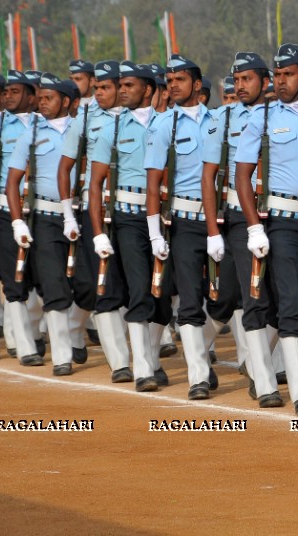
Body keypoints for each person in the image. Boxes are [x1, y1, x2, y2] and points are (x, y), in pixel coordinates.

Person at [235, 43, 298, 416]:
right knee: (293, 302)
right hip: (283, 222)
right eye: (277, 75)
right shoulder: (261, 118)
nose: (280, 81)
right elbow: (242, 176)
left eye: (289, 74)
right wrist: (254, 228)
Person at [203, 52, 281, 408]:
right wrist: (213, 231)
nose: (240, 86)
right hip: (239, 218)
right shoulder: (222, 118)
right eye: (236, 80)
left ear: (265, 81)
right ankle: (263, 380)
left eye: (247, 79)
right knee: (251, 298)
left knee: (284, 296)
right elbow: (209, 176)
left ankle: (259, 364)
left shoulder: (282, 114)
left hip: (282, 217)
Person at [89, 62, 171, 392]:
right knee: (140, 290)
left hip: (166, 217)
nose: (122, 91)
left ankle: (149, 356)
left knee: (165, 295)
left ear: (148, 90)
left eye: (129, 85)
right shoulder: (111, 128)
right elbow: (95, 183)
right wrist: (97, 232)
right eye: (119, 85)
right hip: (128, 218)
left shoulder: (169, 124)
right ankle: (142, 371)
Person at [145, 54, 216, 400]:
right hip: (185, 221)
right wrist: (155, 232)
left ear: (197, 85)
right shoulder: (162, 125)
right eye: (168, 80)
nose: (171, 85)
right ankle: (198, 377)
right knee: (189, 299)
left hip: (219, 219)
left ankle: (203, 353)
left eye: (179, 80)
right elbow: (154, 180)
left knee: (227, 296)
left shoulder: (217, 120)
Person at [59, 60, 131, 382]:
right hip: (95, 210)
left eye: (106, 87)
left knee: (130, 283)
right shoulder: (84, 118)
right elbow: (66, 168)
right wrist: (68, 213)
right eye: (97, 87)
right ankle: (120, 363)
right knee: (100, 285)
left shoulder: (139, 119)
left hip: (133, 210)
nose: (99, 93)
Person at [5, 74, 79, 376]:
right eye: (41, 97)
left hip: (84, 215)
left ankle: (75, 334)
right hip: (46, 218)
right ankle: (62, 355)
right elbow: (12, 181)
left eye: (49, 98)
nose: (41, 103)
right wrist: (18, 222)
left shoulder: (83, 128)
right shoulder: (31, 134)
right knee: (53, 283)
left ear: (67, 101)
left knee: (86, 285)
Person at [0, 70, 43, 366]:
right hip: (4, 211)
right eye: (7, 92)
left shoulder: (45, 123)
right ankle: (24, 346)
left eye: (16, 91)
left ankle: (32, 334)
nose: (9, 97)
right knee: (13, 279)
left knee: (39, 277)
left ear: (31, 94)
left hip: (41, 210)